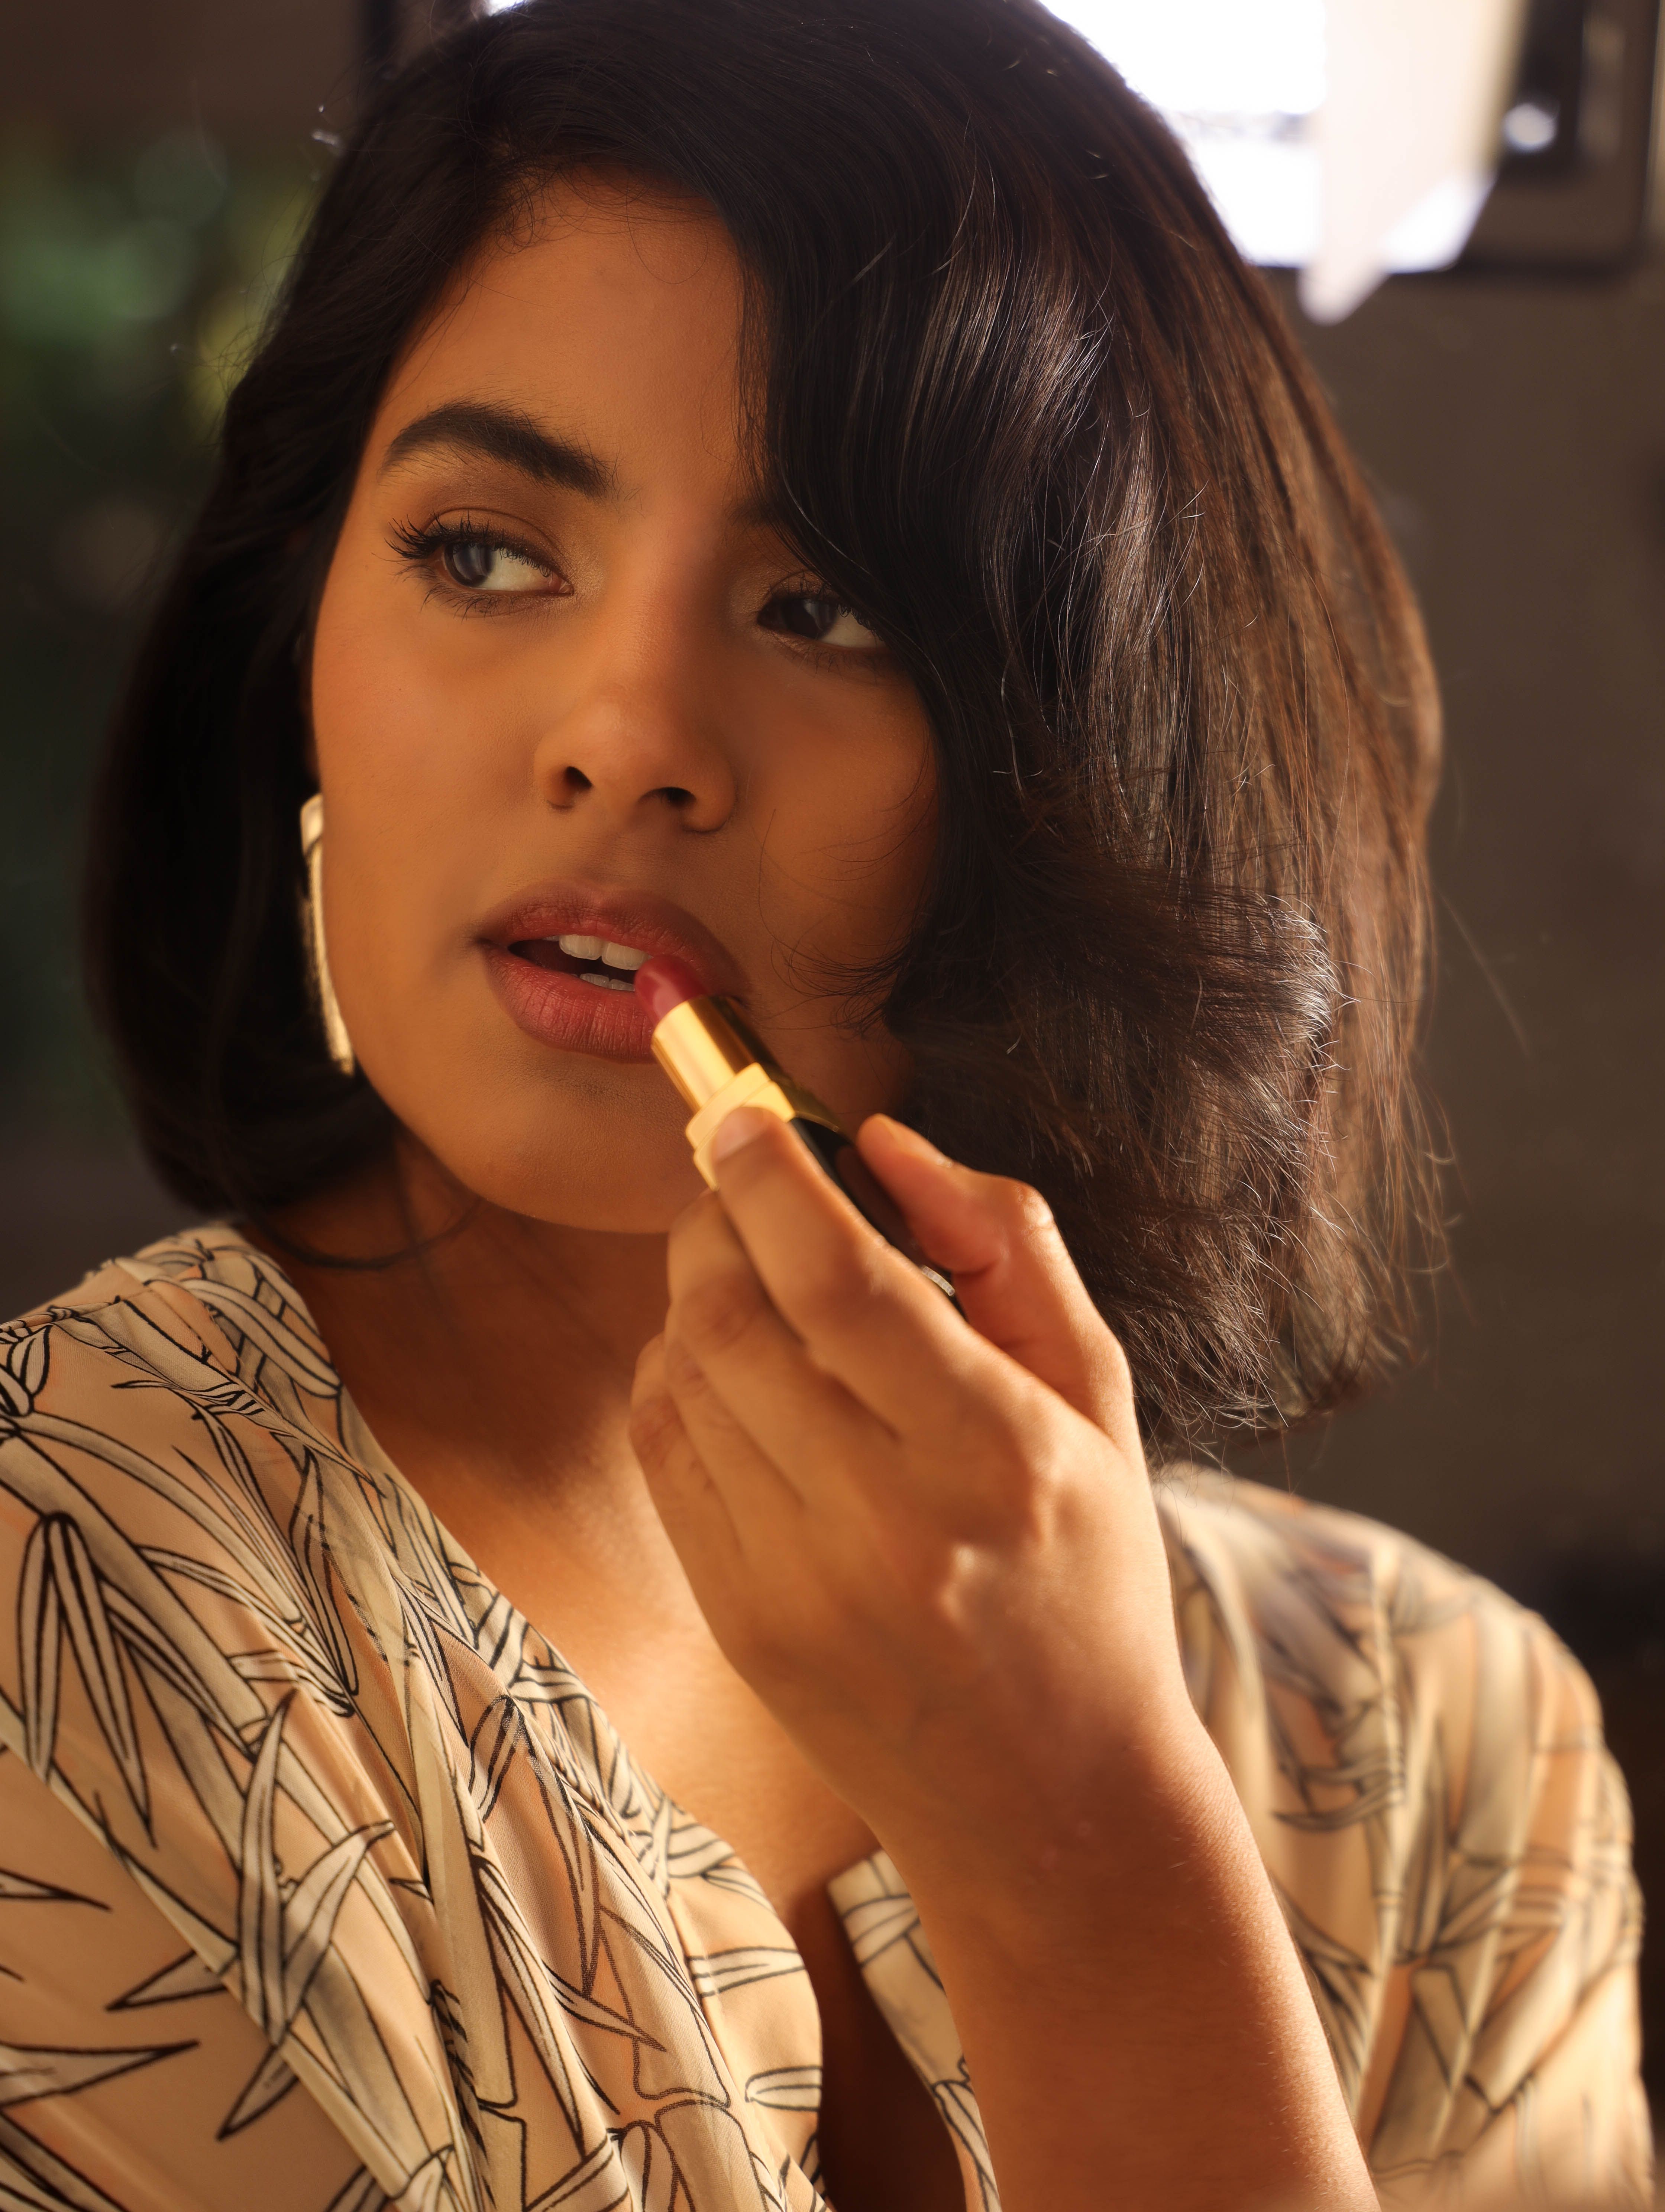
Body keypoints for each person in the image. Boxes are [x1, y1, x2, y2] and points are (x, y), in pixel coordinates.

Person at [0, 2, 1647, 2207]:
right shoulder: (62, 1637)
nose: (626, 733)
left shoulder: (1449, 1763)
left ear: (1095, 766)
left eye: (823, 606)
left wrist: (1096, 1849)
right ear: (294, 649)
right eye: (481, 552)